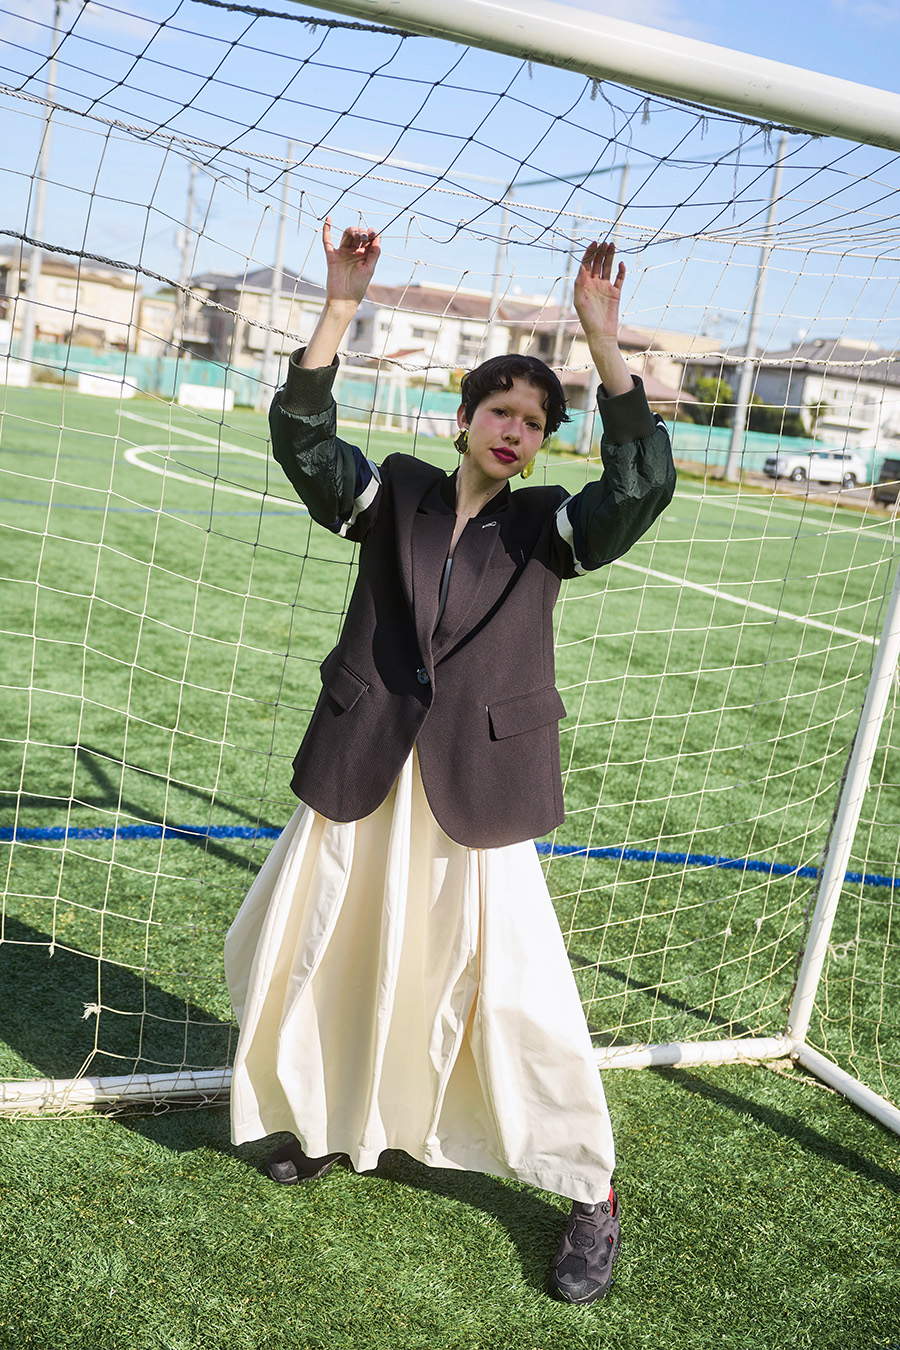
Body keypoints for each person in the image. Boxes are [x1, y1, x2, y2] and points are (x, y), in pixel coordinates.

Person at [225, 220, 676, 1306]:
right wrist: (340, 308)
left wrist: (602, 342)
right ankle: (331, 1124)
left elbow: (643, 482)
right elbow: (302, 441)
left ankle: (588, 1188)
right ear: (463, 418)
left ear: (546, 444)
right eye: (500, 412)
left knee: (514, 995)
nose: (515, 431)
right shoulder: (393, 493)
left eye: (536, 423)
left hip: (479, 788)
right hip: (364, 766)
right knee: (317, 952)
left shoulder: (549, 529)